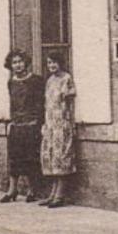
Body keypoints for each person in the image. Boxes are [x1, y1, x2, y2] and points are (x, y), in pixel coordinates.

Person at [0, 49, 44, 202]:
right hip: (16, 125)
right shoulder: (11, 82)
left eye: (20, 62)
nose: (17, 65)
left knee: (30, 157)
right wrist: (11, 121)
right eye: (14, 63)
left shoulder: (36, 81)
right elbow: (13, 104)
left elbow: (40, 104)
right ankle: (12, 189)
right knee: (14, 157)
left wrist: (37, 122)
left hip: (31, 125)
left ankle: (32, 190)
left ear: (26, 63)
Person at [39, 52, 78, 208]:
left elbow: (70, 104)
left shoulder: (66, 79)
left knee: (61, 157)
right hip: (50, 123)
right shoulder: (50, 81)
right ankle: (52, 193)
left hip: (62, 123)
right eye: (49, 63)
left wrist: (69, 123)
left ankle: (60, 194)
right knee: (51, 157)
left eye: (54, 62)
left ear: (61, 63)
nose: (52, 66)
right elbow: (47, 104)